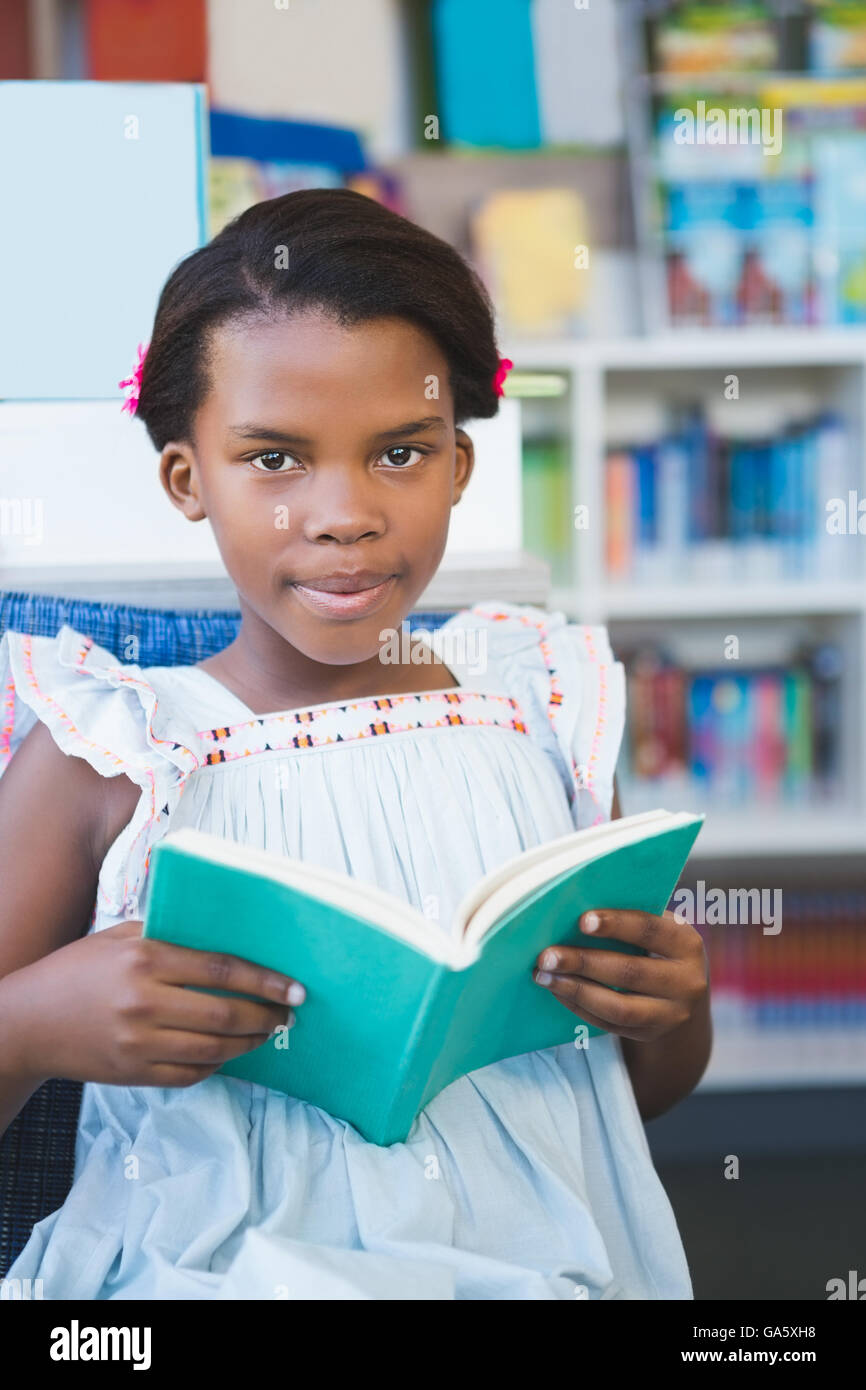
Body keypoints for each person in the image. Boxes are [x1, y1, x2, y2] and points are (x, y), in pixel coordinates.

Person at [0, 189, 710, 1300]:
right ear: (190, 479)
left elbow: (632, 1099)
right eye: (274, 459)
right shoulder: (112, 746)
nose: (342, 512)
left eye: (398, 454)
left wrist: (671, 1009)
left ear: (459, 468)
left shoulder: (543, 706)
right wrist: (30, 1025)